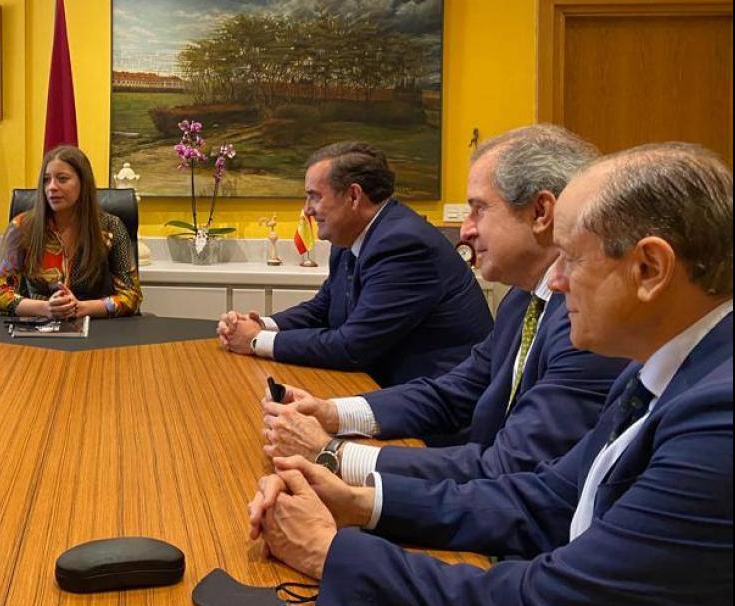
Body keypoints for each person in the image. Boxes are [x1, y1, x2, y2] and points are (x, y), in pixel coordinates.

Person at [248, 143, 732, 606]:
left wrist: (330, 552)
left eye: (570, 258)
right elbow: (544, 501)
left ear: (650, 269)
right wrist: (362, 504)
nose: (557, 281)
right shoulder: (656, 370)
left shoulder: (719, 421)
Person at [262, 126, 628, 484]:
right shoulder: (523, 298)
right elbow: (454, 391)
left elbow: (512, 468)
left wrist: (333, 455)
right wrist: (334, 413)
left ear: (540, 212)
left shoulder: (589, 326)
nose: (465, 230)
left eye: (478, 209)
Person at [219, 142, 492, 387]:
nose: (307, 209)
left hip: (436, 409)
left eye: (314, 196)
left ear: (353, 196)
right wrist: (259, 325)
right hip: (380, 386)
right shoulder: (349, 238)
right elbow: (322, 308)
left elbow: (353, 346)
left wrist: (256, 341)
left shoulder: (403, 244)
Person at [0, 145, 142, 318]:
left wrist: (81, 308)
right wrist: (46, 308)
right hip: (39, 326)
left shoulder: (111, 227)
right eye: (46, 180)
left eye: (62, 179)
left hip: (96, 328)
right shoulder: (22, 227)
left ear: (83, 183)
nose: (52, 187)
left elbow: (132, 296)